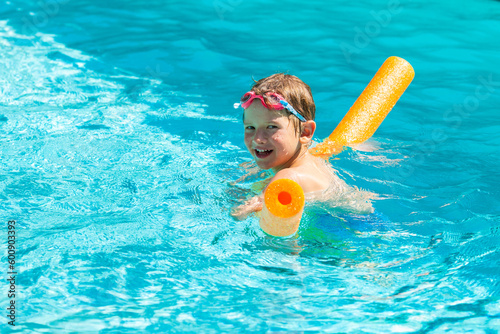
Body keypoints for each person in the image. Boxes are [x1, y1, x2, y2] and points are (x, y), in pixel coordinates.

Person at [231, 73, 374, 221]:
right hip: (365, 220)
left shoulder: (287, 177)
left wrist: (235, 206)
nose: (258, 138)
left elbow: (243, 213)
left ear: (305, 132)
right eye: (250, 128)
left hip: (346, 226)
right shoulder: (313, 157)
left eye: (271, 127)